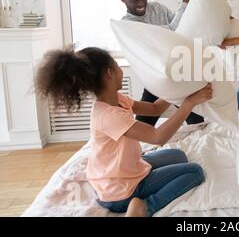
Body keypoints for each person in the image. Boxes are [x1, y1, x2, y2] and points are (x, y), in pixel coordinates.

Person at [34, 46, 212, 216]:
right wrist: (190, 103)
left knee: (178, 155)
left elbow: (155, 109)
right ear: (110, 73)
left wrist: (179, 88)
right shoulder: (109, 115)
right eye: (117, 66)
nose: (121, 70)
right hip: (119, 193)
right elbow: (158, 137)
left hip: (123, 171)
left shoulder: (116, 100)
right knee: (194, 171)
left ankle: (138, 173)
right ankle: (146, 207)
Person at [119, 0, 204, 125]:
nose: (141, 3)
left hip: (176, 74)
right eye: (134, 0)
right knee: (143, 126)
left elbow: (181, 24)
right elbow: (171, 31)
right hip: (154, 80)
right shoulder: (128, 25)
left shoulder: (157, 7)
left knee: (197, 121)